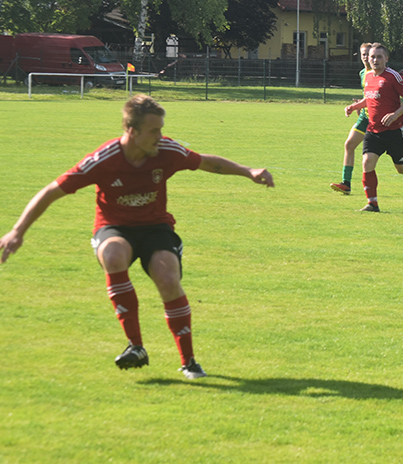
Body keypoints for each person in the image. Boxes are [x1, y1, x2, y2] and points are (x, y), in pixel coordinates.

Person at [0, 94, 275, 379]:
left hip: (156, 229)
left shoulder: (166, 151)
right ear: (132, 131)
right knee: (113, 254)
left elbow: (207, 163)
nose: (160, 136)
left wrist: (247, 171)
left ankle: (189, 361)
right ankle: (136, 346)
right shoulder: (103, 160)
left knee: (168, 279)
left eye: (161, 129)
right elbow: (52, 191)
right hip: (114, 227)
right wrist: (17, 232)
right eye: (154, 130)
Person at [344, 43, 403, 212]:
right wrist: (354, 107)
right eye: (372, 57)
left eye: (379, 57)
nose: (375, 60)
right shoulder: (368, 76)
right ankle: (372, 203)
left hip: (393, 131)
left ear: (386, 59)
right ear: (368, 59)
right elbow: (370, 99)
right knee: (367, 162)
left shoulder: (393, 77)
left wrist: (395, 114)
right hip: (373, 130)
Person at [331, 42, 372, 195]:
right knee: (349, 144)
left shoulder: (378, 74)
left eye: (369, 54)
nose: (366, 57)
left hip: (379, 118)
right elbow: (366, 96)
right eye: (364, 54)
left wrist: (355, 106)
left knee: (400, 163)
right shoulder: (362, 73)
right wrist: (359, 106)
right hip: (365, 117)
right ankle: (346, 183)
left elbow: (375, 98)